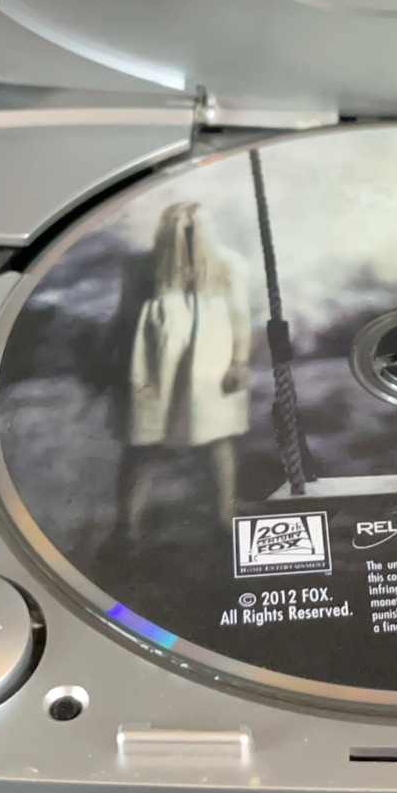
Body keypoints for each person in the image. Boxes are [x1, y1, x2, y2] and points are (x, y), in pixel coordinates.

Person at [114, 199, 253, 541]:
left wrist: (238, 361)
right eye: (181, 230)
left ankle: (224, 517)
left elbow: (240, 316)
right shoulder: (143, 267)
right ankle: (127, 527)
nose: (188, 238)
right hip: (152, 364)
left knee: (217, 439)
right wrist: (111, 361)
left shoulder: (228, 266)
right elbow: (124, 317)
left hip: (210, 362)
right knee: (142, 443)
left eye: (194, 231)